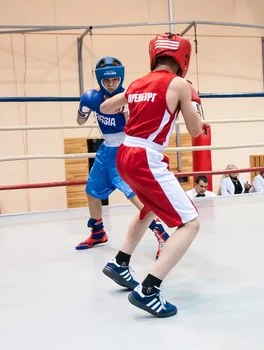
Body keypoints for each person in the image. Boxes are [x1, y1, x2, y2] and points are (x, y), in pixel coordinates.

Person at [98, 33, 203, 318]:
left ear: (154, 56)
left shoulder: (136, 83)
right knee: (190, 223)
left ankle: (120, 263)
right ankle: (149, 289)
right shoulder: (180, 84)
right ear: (183, 59)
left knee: (149, 209)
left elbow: (106, 107)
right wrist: (194, 104)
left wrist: (128, 105)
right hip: (146, 157)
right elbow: (196, 131)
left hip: (124, 153)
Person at [75, 56, 169, 259]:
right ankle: (98, 232)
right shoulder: (92, 97)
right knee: (92, 191)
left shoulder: (130, 96)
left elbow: (140, 127)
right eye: (107, 81)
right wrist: (84, 108)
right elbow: (80, 122)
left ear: (121, 78)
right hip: (105, 150)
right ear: (100, 80)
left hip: (125, 150)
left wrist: (129, 114)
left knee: (137, 198)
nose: (111, 84)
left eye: (115, 80)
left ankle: (163, 236)